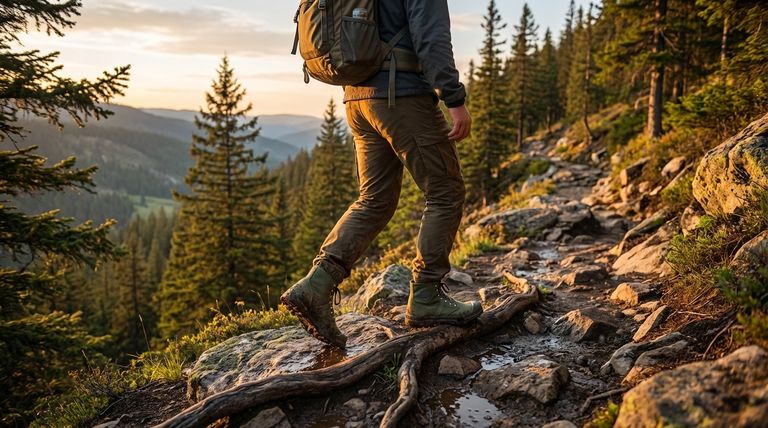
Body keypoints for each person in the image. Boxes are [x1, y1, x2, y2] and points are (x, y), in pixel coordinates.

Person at [281, 0, 481, 348]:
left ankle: (316, 284)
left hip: (357, 100)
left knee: (375, 199)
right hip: (400, 96)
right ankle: (427, 297)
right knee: (445, 192)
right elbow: (431, 38)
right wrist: (454, 98)